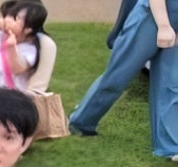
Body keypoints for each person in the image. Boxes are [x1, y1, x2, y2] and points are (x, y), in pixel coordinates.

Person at [64, 0, 175, 155]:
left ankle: (170, 147)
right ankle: (80, 123)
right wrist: (164, 26)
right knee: (118, 76)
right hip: (151, 16)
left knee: (171, 85)